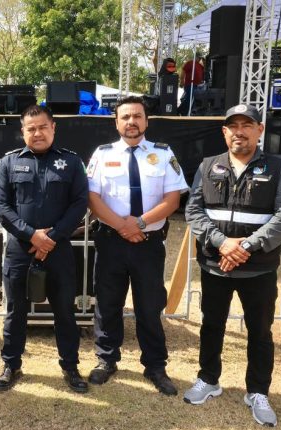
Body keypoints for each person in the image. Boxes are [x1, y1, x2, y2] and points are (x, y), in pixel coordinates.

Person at [183, 104, 281, 427]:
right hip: (215, 265)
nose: (239, 132)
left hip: (257, 268)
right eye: (233, 126)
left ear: (260, 130)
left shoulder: (277, 168)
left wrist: (245, 245)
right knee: (211, 324)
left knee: (260, 331)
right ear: (224, 132)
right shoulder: (207, 167)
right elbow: (194, 211)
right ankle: (208, 379)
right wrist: (222, 243)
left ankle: (258, 391)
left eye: (247, 125)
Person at [86, 95, 188, 396]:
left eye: (137, 117)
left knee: (149, 304)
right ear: (116, 122)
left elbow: (173, 200)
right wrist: (122, 226)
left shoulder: (163, 153)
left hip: (148, 242)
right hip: (111, 241)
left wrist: (138, 224)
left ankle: (155, 365)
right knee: (107, 303)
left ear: (146, 121)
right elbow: (93, 199)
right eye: (125, 117)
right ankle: (106, 360)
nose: (131, 122)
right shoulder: (102, 154)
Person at [0, 105, 89, 393]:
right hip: (21, 249)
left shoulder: (71, 162)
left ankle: (70, 366)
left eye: (42, 127)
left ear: (53, 128)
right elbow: (0, 205)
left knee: (64, 311)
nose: (37, 133)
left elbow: (79, 203)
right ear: (22, 131)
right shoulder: (8, 163)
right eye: (30, 128)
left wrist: (52, 238)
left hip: (59, 249)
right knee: (15, 310)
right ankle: (11, 364)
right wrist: (32, 236)